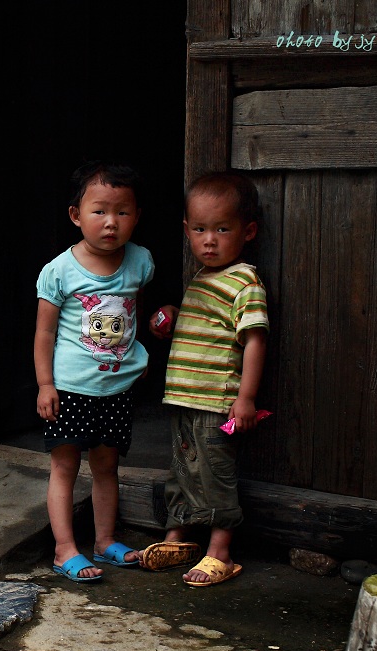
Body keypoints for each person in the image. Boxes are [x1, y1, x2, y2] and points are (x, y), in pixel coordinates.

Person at [139, 171, 268, 587]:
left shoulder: (245, 282)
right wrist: (172, 320)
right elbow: (201, 329)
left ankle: (221, 551)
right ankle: (179, 536)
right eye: (199, 229)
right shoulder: (200, 278)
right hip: (183, 397)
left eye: (222, 229)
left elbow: (253, 341)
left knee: (214, 473)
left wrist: (245, 397)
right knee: (181, 470)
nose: (209, 240)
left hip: (216, 401)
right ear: (186, 231)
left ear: (247, 232)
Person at [34, 161, 155, 582]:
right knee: (65, 467)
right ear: (76, 216)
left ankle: (104, 541)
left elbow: (132, 312)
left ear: (136, 217)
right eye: (99, 211)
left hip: (116, 388)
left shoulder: (140, 261)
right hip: (70, 388)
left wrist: (136, 353)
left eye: (122, 212)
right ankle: (64, 548)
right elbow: (45, 333)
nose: (111, 223)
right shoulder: (59, 271)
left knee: (106, 468)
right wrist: (45, 384)